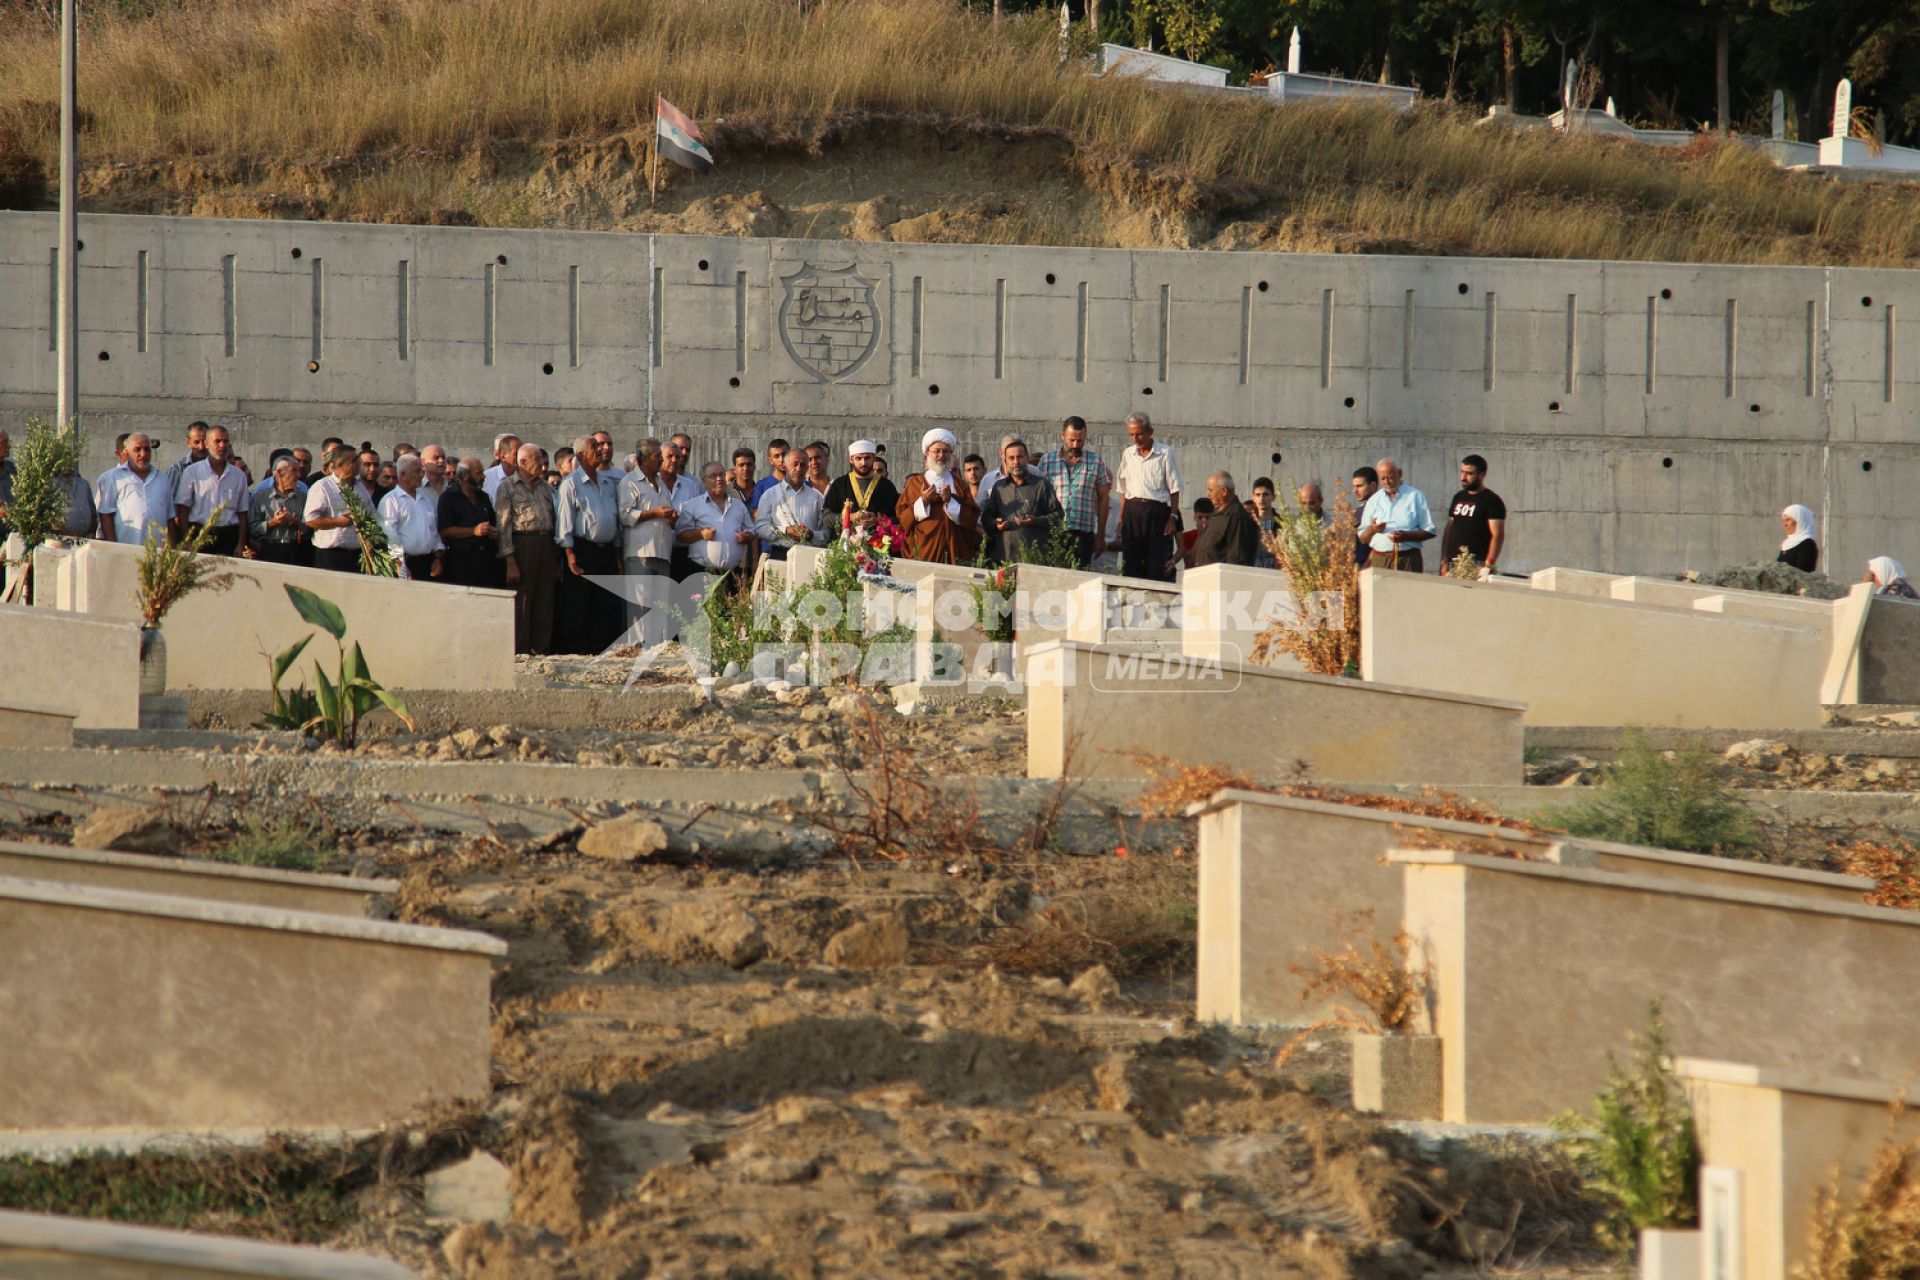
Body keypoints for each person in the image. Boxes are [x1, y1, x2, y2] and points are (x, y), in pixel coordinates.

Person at [554, 432, 624, 653]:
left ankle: (601, 650)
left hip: (607, 551)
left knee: (604, 604)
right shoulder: (570, 484)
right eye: (595, 447)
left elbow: (615, 519)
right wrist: (570, 554)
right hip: (583, 550)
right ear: (582, 455)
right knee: (579, 605)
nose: (601, 450)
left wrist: (618, 553)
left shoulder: (607, 482)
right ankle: (577, 652)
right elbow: (564, 524)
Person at [497, 442, 558, 654]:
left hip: (546, 543)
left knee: (545, 599)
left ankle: (541, 649)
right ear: (522, 462)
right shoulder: (507, 487)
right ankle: (519, 651)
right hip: (523, 544)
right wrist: (510, 560)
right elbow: (503, 525)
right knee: (522, 600)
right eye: (537, 461)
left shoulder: (545, 487)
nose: (542, 465)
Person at [619, 439, 680, 647]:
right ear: (644, 459)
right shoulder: (629, 482)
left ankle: (656, 647)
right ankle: (637, 648)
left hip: (662, 551)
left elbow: (667, 512)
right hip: (640, 552)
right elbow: (625, 515)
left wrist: (671, 517)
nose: (661, 460)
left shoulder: (661, 483)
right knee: (640, 605)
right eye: (657, 456)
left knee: (660, 604)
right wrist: (655, 513)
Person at [895, 429, 980, 564]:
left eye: (946, 451)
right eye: (937, 451)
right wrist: (923, 501)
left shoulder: (960, 484)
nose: (941, 455)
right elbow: (903, 519)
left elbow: (971, 519)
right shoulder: (915, 483)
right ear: (927, 453)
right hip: (924, 551)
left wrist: (950, 502)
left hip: (955, 551)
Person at [1036, 416, 1111, 571]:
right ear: (1062, 435)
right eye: (1071, 440)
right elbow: (1038, 497)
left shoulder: (1095, 461)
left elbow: (1104, 498)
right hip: (1054, 532)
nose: (1075, 445)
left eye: (1080, 440)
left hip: (1083, 532)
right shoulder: (1047, 460)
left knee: (1081, 581)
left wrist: (1101, 534)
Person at [1114, 411, 1181, 582]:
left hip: (1157, 511)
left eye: (1139, 434)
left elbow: (1174, 488)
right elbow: (1123, 489)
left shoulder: (1165, 453)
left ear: (1150, 432)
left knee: (1156, 563)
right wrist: (1122, 519)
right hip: (1133, 511)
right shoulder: (1128, 454)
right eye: (1132, 434)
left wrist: (1172, 517)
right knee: (1131, 563)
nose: (1136, 438)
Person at [676, 461, 756, 598]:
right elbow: (680, 536)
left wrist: (746, 536)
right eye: (713, 476)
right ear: (704, 481)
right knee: (701, 617)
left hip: (731, 575)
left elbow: (752, 531)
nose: (719, 479)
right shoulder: (693, 506)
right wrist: (700, 534)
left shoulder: (738, 506)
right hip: (701, 573)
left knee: (728, 617)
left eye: (721, 475)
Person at [978, 438, 1062, 564]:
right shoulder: (999, 488)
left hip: (1034, 559)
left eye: (1020, 457)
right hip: (1004, 557)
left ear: (1027, 458)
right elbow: (986, 518)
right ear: (1005, 461)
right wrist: (996, 524)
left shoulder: (1041, 485)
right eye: (1011, 458)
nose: (1016, 462)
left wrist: (1036, 521)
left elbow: (1058, 516)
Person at [174, 425, 250, 556]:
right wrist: (187, 540)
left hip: (228, 537)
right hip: (200, 535)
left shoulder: (239, 476)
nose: (222, 445)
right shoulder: (192, 472)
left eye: (225, 441)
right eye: (217, 441)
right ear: (207, 443)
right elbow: (182, 509)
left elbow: (242, 513)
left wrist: (240, 543)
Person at [1360, 458, 1432, 572]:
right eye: (1382, 478)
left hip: (1408, 559)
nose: (1387, 482)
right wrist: (1372, 529)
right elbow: (1363, 538)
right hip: (1380, 560)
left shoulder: (1415, 496)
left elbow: (1430, 531)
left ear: (1399, 473)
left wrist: (1406, 536)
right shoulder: (1373, 501)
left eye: (1390, 477)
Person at [379, 454, 444, 581]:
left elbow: (433, 533)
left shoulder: (425, 500)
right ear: (403, 474)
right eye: (417, 471)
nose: (421, 475)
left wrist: (438, 557)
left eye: (422, 471)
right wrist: (399, 565)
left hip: (427, 564)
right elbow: (388, 536)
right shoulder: (390, 501)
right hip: (404, 564)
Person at [438, 458, 501, 588]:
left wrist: (492, 531)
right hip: (461, 562)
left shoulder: (483, 497)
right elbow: (444, 530)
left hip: (486, 561)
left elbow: (492, 522)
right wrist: (473, 531)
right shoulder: (448, 498)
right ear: (465, 476)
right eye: (478, 473)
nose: (483, 476)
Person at [755, 447, 827, 560]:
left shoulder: (816, 497)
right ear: (786, 465)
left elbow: (826, 533)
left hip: (809, 555)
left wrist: (811, 535)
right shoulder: (771, 495)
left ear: (808, 467)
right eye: (795, 464)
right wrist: (785, 530)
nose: (798, 469)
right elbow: (760, 528)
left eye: (803, 465)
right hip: (780, 555)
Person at [1440, 454, 1507, 574]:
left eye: (1469, 474)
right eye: (1462, 472)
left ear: (1481, 475)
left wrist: (1488, 565)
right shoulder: (1458, 496)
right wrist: (1444, 559)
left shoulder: (1492, 500)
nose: (1463, 477)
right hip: (1452, 563)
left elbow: (1498, 535)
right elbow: (1449, 528)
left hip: (1476, 564)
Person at [303, 445, 364, 573]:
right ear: (341, 464)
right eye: (353, 461)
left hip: (357, 555)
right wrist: (337, 521)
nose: (359, 463)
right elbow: (310, 520)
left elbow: (371, 512)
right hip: (331, 556)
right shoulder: (322, 487)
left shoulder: (359, 486)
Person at [822, 441, 899, 538]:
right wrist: (849, 517)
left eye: (867, 458)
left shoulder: (887, 486)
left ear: (874, 458)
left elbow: (898, 519)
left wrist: (878, 520)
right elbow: (826, 518)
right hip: (844, 547)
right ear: (851, 459)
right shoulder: (839, 484)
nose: (863, 463)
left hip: (878, 546)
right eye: (858, 458)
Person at [1190, 472, 1260, 568]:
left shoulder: (1236, 516)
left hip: (1220, 579)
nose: (1208, 494)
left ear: (1223, 491)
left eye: (1211, 490)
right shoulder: (1217, 514)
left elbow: (1237, 560)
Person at [249, 456, 310, 566]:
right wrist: (273, 522)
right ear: (279, 473)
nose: (298, 475)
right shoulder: (261, 497)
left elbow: (309, 529)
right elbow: (252, 529)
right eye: (294, 471)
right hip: (269, 549)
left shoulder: (303, 497)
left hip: (295, 550)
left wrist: (294, 522)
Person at [164, 421, 210, 522]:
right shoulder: (178, 469)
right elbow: (170, 505)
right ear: (188, 442)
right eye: (196, 442)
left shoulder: (217, 468)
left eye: (204, 441)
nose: (201, 447)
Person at [1350, 467, 1380, 568]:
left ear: (1373, 486)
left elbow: (1379, 544)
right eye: (1354, 486)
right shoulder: (1359, 511)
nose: (1355, 491)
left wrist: (1366, 566)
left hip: (1375, 566)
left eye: (1359, 486)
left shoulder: (1381, 509)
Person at [1778, 504, 1819, 573]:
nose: (1785, 525)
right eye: (1784, 521)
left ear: (1800, 520)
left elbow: (1802, 573)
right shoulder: (1787, 545)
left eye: (1788, 520)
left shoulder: (1807, 544)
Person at [483, 434, 521, 501]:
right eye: (516, 454)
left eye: (522, 453)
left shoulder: (525, 477)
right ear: (503, 456)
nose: (521, 457)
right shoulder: (487, 479)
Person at [1181, 498, 1212, 566]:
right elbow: (1189, 562)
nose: (1203, 521)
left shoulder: (1217, 536)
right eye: (1200, 517)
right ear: (1195, 516)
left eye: (1207, 517)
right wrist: (1201, 535)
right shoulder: (1187, 536)